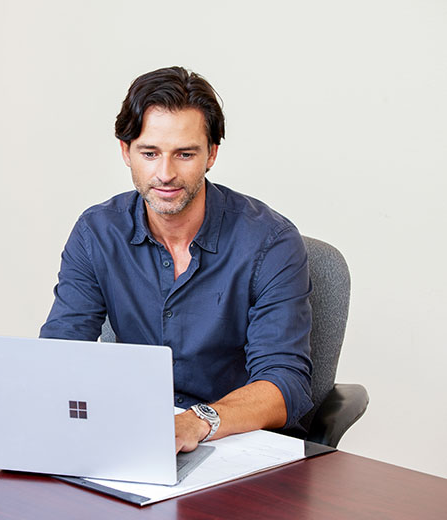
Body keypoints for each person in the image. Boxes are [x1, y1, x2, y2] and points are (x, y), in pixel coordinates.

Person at [40, 66, 313, 452]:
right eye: (149, 153)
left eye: (184, 154)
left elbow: (286, 384)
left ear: (211, 154)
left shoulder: (272, 242)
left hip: (238, 445)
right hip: (138, 440)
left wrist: (196, 421)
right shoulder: (97, 233)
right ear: (126, 152)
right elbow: (60, 353)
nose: (165, 174)